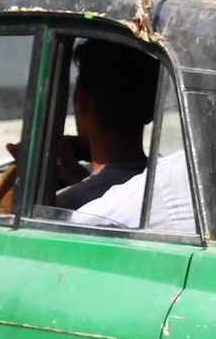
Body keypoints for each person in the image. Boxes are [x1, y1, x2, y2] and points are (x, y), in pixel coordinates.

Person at [52, 40, 159, 211]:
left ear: (83, 101)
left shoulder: (65, 206)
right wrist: (75, 174)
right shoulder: (166, 180)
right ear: (153, 110)